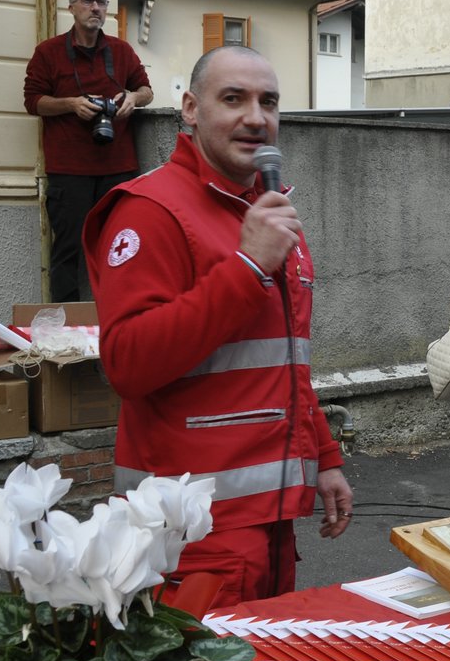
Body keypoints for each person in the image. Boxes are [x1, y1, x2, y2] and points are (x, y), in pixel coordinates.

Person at [83, 46, 351, 608]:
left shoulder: (266, 212)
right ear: (189, 108)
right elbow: (127, 363)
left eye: (269, 102)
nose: (256, 117)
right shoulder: (150, 210)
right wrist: (248, 267)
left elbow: (282, 360)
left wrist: (323, 457)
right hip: (192, 533)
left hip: (270, 518)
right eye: (233, 99)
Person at [24, 0, 154, 302]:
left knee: (121, 248)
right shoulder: (48, 52)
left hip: (119, 168)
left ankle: (118, 323)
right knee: (67, 252)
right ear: (71, 7)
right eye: (87, 1)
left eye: (101, 2)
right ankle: (65, 337)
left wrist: (131, 99)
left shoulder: (121, 51)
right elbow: (32, 101)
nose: (95, 8)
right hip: (69, 171)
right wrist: (71, 104)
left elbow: (146, 90)